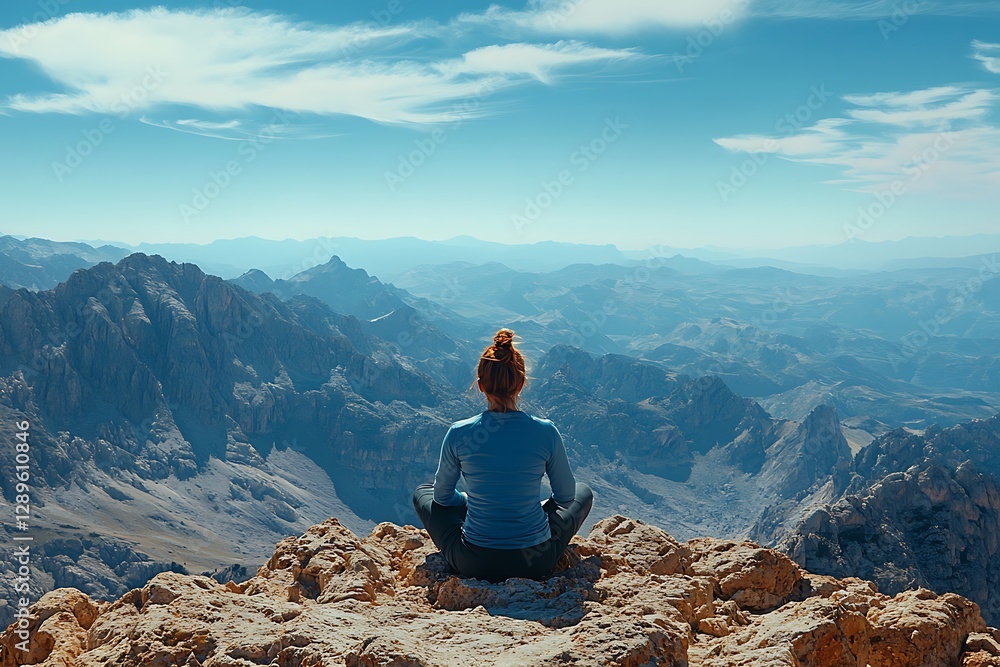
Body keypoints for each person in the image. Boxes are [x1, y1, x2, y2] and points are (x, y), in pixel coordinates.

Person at [412, 328, 594, 583]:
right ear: (521, 384)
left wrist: (468, 501)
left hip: (474, 561)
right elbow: (565, 497)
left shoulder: (459, 433)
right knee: (583, 492)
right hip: (535, 561)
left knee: (424, 493)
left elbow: (442, 498)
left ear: (480, 385)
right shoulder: (545, 431)